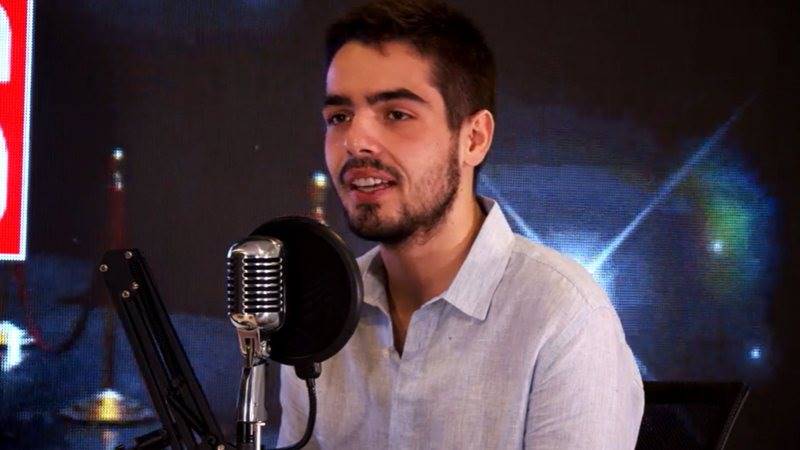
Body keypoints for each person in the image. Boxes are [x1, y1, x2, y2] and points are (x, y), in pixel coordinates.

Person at [278, 1, 644, 448]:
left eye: (396, 114)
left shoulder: (564, 317)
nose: (355, 141)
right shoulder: (319, 316)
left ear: (474, 139)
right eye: (339, 117)